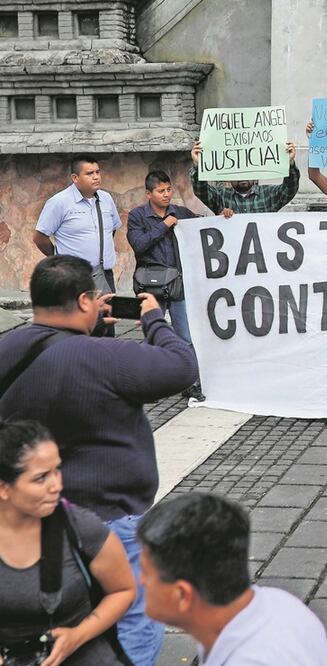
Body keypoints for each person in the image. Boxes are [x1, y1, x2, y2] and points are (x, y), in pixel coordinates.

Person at [0, 255, 197, 666]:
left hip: (35, 517)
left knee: (62, 616)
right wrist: (154, 320)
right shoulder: (106, 357)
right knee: (131, 622)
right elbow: (181, 366)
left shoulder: (8, 349)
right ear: (84, 300)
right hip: (109, 520)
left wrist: (92, 330)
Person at [137, 492, 327, 666]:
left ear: (182, 595)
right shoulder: (279, 602)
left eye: (145, 573)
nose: (140, 581)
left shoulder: (253, 659)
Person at [0, 420, 136, 666]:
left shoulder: (80, 527)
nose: (57, 486)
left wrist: (77, 635)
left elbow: (123, 590)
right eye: (41, 478)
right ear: (3, 488)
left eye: (57, 470)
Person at [126, 170, 204, 401]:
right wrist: (164, 225)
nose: (166, 194)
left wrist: (224, 216)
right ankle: (148, 384)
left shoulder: (180, 212)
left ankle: (191, 383)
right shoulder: (137, 216)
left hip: (178, 284)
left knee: (186, 337)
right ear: (149, 194)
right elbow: (138, 244)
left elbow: (202, 227)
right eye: (161, 191)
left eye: (169, 189)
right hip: (151, 288)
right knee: (152, 335)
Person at [32, 155, 123, 337]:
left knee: (106, 327)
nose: (96, 177)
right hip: (75, 277)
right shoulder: (59, 202)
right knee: (78, 328)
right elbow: (39, 237)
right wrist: (59, 259)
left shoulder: (106, 199)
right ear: (75, 178)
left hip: (104, 274)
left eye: (97, 172)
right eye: (89, 173)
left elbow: (111, 230)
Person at [189, 139, 300, 217]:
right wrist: (198, 165)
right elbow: (200, 190)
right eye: (237, 172)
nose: (242, 177)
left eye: (246, 171)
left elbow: (290, 188)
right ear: (228, 176)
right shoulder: (220, 196)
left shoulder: (269, 194)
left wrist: (289, 163)